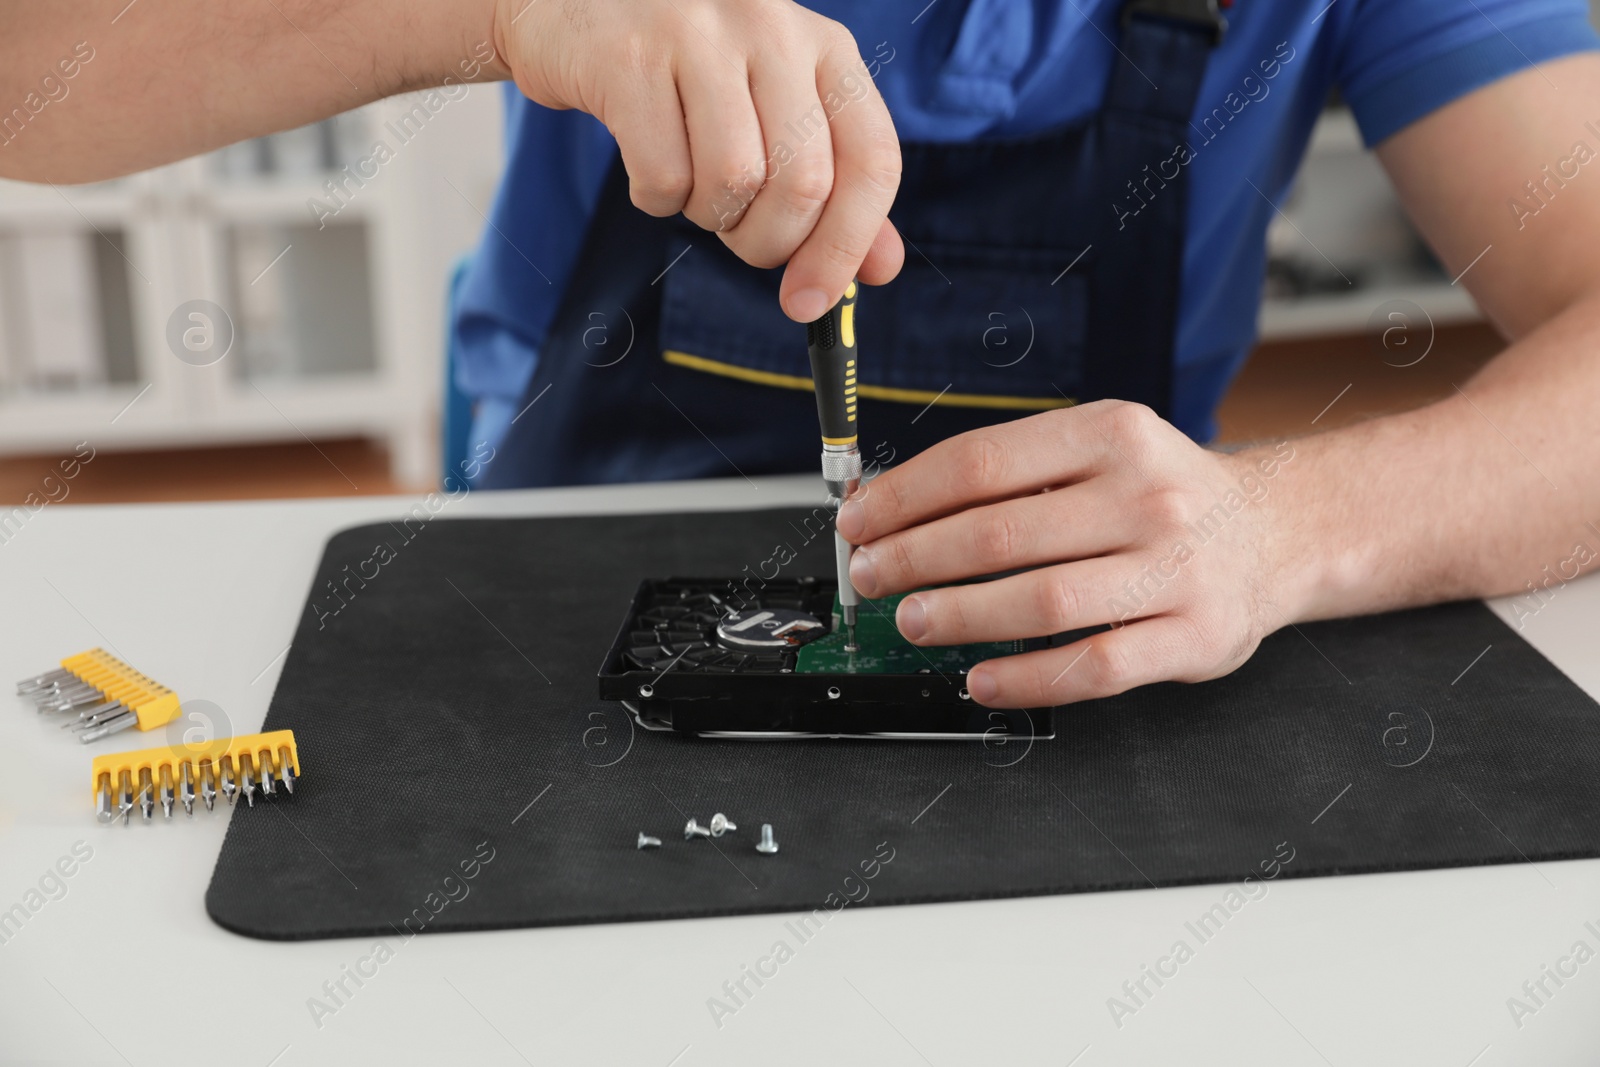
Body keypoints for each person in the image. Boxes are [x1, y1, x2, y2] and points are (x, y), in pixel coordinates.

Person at [6, 0, 1600, 708]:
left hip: (1065, 665)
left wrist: (1281, 531)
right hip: (526, 612)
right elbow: (34, 80)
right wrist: (502, 10)